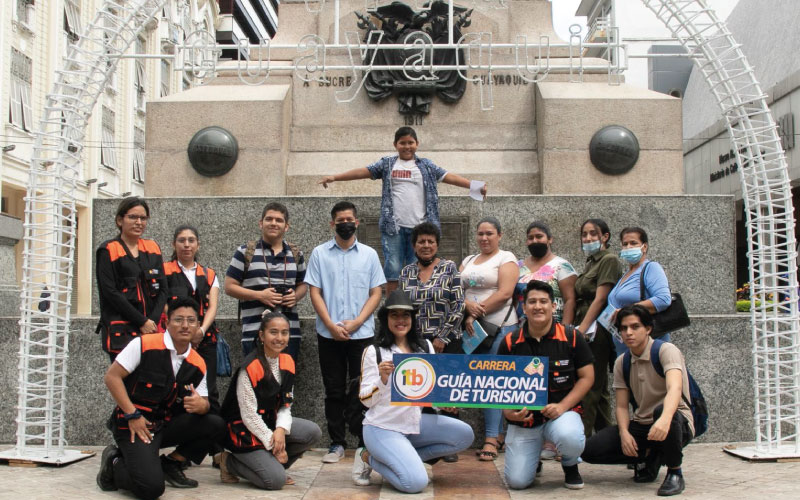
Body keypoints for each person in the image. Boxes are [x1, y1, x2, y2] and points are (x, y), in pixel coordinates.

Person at [318, 126, 488, 295]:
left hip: (420, 229)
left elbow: (450, 177)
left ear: (417, 144)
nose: (407, 146)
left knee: (418, 270)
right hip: (394, 228)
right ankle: (393, 309)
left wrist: (474, 186)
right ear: (395, 145)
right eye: (403, 143)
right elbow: (363, 171)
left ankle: (414, 309)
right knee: (393, 270)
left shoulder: (426, 166)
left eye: (411, 142)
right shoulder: (387, 164)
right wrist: (335, 177)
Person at [96, 297, 225, 500]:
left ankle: (171, 464)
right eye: (178, 320)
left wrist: (201, 405)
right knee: (151, 489)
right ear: (166, 322)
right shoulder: (144, 344)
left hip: (163, 425)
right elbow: (112, 377)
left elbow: (205, 402)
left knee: (215, 423)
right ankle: (114, 463)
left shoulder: (198, 362)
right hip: (133, 424)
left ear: (199, 325)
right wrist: (132, 414)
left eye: (191, 320)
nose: (185, 325)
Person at [353, 290, 474, 491]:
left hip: (414, 423)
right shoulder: (374, 351)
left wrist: (444, 402)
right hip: (382, 427)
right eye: (394, 315)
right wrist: (382, 381)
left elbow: (431, 390)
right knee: (415, 483)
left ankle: (405, 460)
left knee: (465, 434)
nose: (400, 320)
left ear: (412, 318)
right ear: (386, 319)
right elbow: (365, 400)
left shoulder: (425, 347)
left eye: (405, 315)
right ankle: (367, 457)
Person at [304, 201, 386, 463]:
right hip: (328, 334)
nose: (345, 223)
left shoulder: (369, 255)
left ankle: (364, 441)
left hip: (362, 334)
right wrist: (330, 324)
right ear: (332, 224)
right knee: (334, 389)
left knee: (364, 388)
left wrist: (358, 321)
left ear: (357, 222)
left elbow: (376, 292)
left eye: (349, 219)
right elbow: (314, 291)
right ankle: (337, 442)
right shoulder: (319, 253)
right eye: (340, 220)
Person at [582, 305, 693, 496]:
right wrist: (624, 433)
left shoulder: (666, 350)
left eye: (635, 327)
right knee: (588, 450)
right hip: (643, 424)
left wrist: (664, 420)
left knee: (662, 412)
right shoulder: (622, 361)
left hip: (675, 420)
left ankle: (675, 472)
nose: (628, 333)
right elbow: (622, 406)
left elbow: (674, 388)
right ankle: (650, 456)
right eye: (624, 328)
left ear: (648, 328)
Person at [498, 280, 594, 491]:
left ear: (553, 306)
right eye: (532, 302)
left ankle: (570, 464)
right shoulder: (510, 342)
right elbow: (499, 386)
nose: (537, 306)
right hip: (525, 420)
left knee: (570, 437)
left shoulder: (572, 337)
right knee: (517, 482)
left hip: (561, 414)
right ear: (524, 307)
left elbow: (587, 377)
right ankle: (534, 459)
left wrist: (562, 406)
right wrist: (507, 412)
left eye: (543, 301)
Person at [218, 311, 322, 490]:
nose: (279, 338)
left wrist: (281, 430)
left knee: (313, 432)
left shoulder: (288, 361)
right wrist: (274, 444)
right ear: (262, 335)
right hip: (243, 429)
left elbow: (285, 405)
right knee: (275, 481)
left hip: (270, 422)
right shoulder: (250, 367)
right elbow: (248, 415)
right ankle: (228, 462)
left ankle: (273, 465)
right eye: (273, 332)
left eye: (284, 332)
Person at [398, 222, 466, 462]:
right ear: (414, 245)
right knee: (422, 392)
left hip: (447, 341)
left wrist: (442, 337)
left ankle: (451, 445)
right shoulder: (406, 272)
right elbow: (401, 309)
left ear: (437, 244)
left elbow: (459, 306)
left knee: (448, 393)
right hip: (417, 344)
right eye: (421, 241)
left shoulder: (449, 269)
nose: (426, 246)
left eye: (430, 241)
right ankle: (428, 441)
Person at [459, 216, 518, 461]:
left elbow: (505, 293)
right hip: (474, 330)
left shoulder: (507, 258)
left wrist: (475, 311)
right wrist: (466, 308)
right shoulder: (468, 260)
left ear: (499, 235)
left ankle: (491, 439)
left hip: (499, 327)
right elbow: (455, 289)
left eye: (490, 234)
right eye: (480, 233)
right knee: (482, 383)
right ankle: (498, 434)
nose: (484, 238)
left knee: (493, 383)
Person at [225, 202, 307, 360]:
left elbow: (303, 285)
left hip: (288, 333)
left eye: (279, 220)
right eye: (269, 219)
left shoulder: (296, 253)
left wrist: (296, 296)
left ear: (286, 226)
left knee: (286, 382)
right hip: (255, 332)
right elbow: (229, 287)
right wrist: (260, 296)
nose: (274, 223)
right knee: (257, 381)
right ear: (261, 223)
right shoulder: (245, 252)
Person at [96, 196, 168, 361]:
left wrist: (152, 321)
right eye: (133, 217)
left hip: (151, 329)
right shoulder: (108, 249)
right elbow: (110, 292)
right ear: (120, 220)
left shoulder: (152, 248)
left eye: (143, 218)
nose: (139, 222)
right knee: (125, 382)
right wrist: (141, 321)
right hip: (122, 329)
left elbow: (163, 289)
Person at [574, 218, 623, 438]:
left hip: (598, 328)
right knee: (600, 386)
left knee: (590, 383)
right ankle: (607, 436)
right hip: (586, 321)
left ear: (605, 236)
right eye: (585, 234)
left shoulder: (609, 260)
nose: (588, 238)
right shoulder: (591, 262)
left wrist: (581, 329)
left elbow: (600, 298)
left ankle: (580, 439)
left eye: (593, 234)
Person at [164, 225, 221, 411]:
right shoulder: (164, 271)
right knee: (176, 388)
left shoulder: (209, 274)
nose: (186, 245)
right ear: (174, 244)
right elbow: (162, 304)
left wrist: (201, 330)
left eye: (191, 240)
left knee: (209, 389)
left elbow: (212, 307)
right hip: (175, 340)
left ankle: (213, 432)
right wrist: (184, 329)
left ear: (198, 245)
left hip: (205, 340)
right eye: (181, 240)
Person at [607, 227, 673, 356]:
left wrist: (627, 311)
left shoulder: (650, 268)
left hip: (648, 347)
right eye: (625, 244)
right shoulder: (626, 275)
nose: (629, 247)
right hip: (624, 348)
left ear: (644, 246)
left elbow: (663, 299)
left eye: (633, 243)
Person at [515, 221, 577, 325]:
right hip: (521, 330)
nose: (535, 241)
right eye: (530, 238)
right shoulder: (518, 266)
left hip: (554, 330)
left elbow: (570, 300)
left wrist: (565, 331)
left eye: (539, 236)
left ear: (550, 239)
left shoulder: (562, 266)